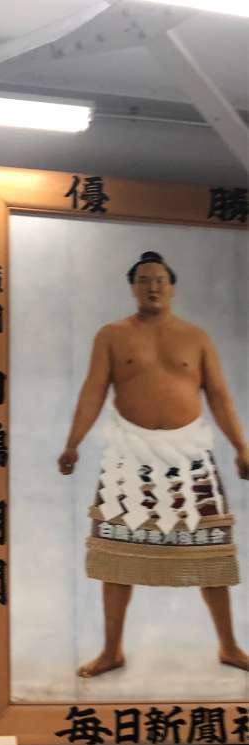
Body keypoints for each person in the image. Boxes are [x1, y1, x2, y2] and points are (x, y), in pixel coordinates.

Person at [58, 250, 249, 677]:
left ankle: (229, 645)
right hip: (130, 455)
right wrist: (73, 444)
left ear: (172, 286)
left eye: (160, 279)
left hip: (190, 455)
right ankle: (112, 651)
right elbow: (92, 391)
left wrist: (242, 446)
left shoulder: (196, 337)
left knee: (211, 553)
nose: (153, 286)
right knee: (116, 555)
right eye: (144, 279)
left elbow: (219, 396)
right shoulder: (112, 335)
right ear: (133, 286)